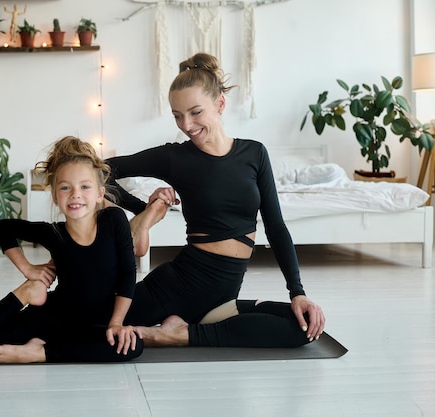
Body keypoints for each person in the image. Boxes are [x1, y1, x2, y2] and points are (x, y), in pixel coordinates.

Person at [105, 52, 326, 348]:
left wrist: (297, 292)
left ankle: (175, 333)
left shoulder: (254, 154)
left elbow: (276, 226)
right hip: (177, 286)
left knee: (302, 327)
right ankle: (174, 333)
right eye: (177, 116)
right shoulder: (176, 158)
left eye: (195, 112)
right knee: (96, 325)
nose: (186, 124)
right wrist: (143, 209)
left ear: (220, 103)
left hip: (221, 301)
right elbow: (102, 172)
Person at [0, 136, 143, 364]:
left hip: (98, 323)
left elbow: (128, 273)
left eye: (85, 187)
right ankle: (26, 296)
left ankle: (38, 353)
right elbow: (3, 228)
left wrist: (116, 323)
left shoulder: (113, 220)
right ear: (54, 195)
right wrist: (28, 270)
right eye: (65, 187)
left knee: (132, 346)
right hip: (55, 318)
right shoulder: (54, 233)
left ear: (100, 193)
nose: (75, 194)